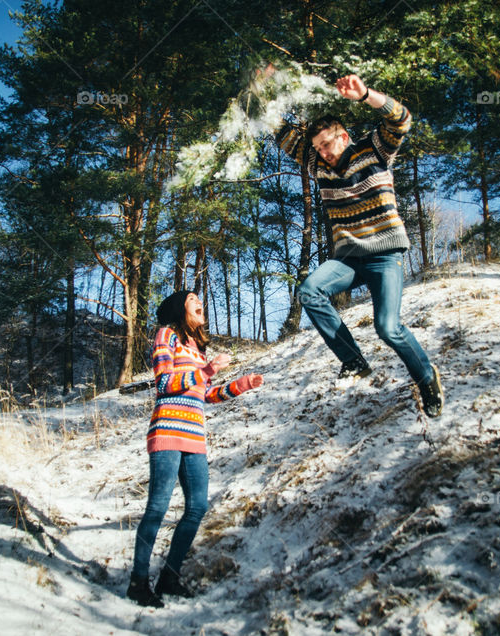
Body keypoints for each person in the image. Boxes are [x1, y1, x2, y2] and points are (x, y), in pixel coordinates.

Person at [273, 72, 444, 417]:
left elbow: (401, 118)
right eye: (318, 147)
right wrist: (263, 92)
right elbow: (281, 132)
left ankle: (426, 378)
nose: (324, 152)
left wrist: (365, 94)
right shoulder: (317, 164)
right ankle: (353, 361)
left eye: (328, 143)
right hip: (348, 259)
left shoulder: (373, 150)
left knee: (388, 328)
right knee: (309, 290)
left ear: (344, 135)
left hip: (384, 255)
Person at [126, 290, 264, 608]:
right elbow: (164, 384)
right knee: (158, 508)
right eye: (192, 298)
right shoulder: (167, 335)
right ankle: (138, 582)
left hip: (194, 437)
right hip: (167, 431)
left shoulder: (198, 349)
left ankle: (170, 578)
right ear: (180, 307)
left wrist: (241, 384)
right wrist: (206, 370)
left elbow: (206, 394)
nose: (200, 301)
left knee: (198, 507)